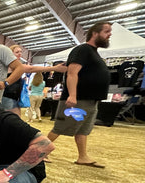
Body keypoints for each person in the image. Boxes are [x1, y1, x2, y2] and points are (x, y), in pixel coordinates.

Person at [45, 22, 112, 168]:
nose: (110, 34)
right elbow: (72, 72)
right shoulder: (82, 50)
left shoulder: (93, 52)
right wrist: (72, 95)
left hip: (90, 99)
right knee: (60, 127)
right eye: (107, 31)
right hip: (78, 98)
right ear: (95, 33)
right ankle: (39, 151)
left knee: (83, 129)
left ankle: (83, 156)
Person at [6, 45, 67, 115]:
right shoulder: (11, 65)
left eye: (21, 52)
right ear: (11, 54)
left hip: (14, 99)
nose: (20, 54)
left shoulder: (16, 65)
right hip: (7, 98)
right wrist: (54, 68)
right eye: (17, 52)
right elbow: (31, 69)